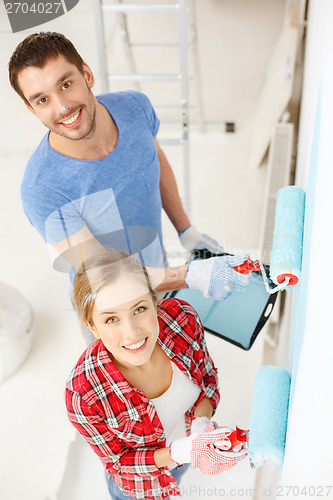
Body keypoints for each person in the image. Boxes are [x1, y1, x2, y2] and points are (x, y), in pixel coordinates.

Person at [8, 32, 250, 302]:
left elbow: (155, 160)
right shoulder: (42, 189)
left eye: (65, 84)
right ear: (32, 110)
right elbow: (106, 276)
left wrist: (186, 231)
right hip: (114, 316)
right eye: (42, 100)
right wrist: (189, 275)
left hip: (162, 278)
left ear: (86, 74)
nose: (62, 107)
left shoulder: (135, 107)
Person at [65, 250, 248, 500]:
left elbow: (207, 380)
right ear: (92, 327)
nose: (132, 333)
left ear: (154, 301)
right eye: (111, 319)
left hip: (183, 461)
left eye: (139, 309)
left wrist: (200, 429)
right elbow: (120, 464)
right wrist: (182, 452)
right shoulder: (83, 394)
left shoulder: (181, 319)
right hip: (141, 486)